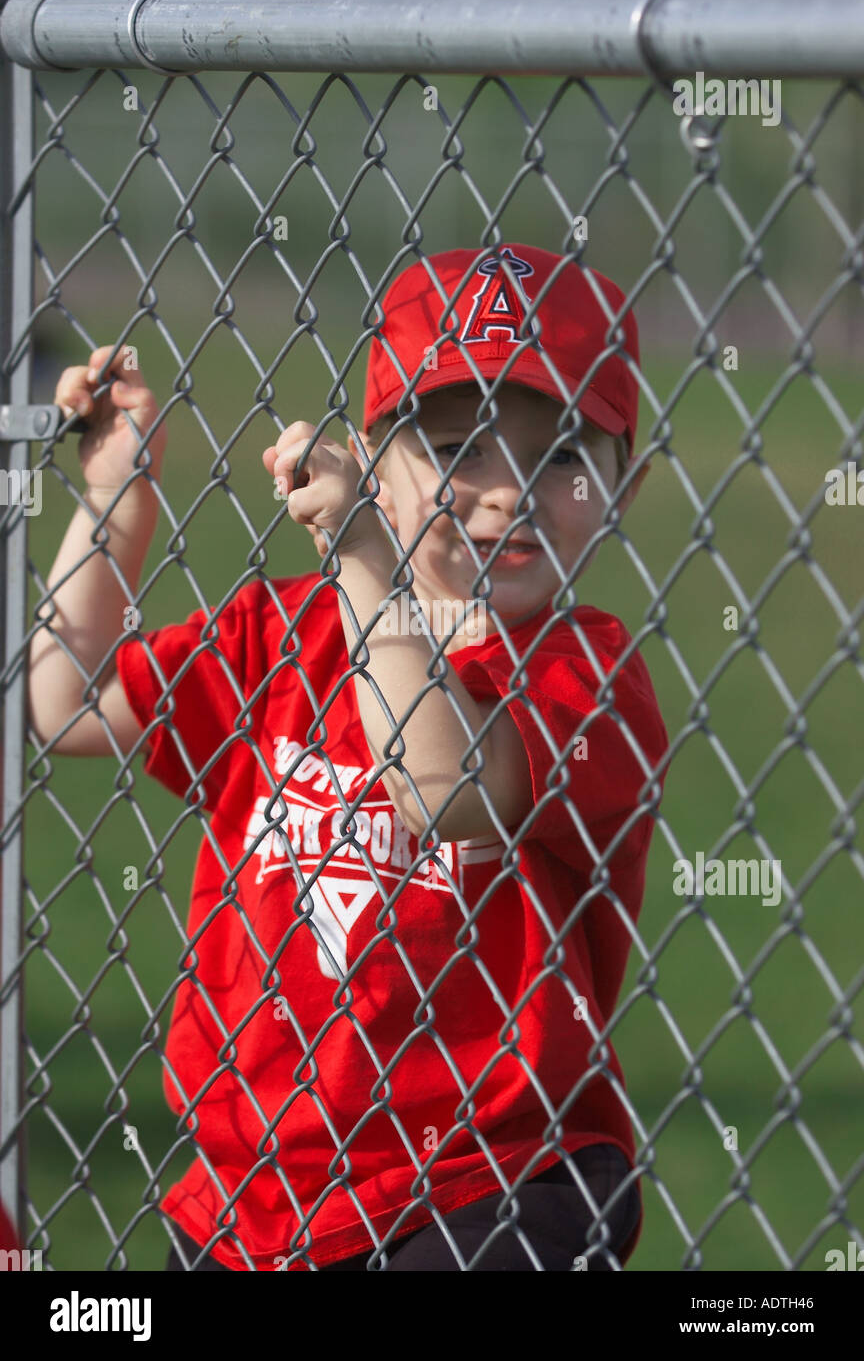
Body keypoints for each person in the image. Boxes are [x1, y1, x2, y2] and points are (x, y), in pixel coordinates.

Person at [30, 243, 668, 1272]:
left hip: (485, 1184)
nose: (507, 496)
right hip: (253, 1195)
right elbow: (63, 702)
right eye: (460, 448)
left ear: (623, 485)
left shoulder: (588, 676)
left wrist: (369, 558)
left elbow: (447, 784)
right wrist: (115, 495)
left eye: (562, 458)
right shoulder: (278, 637)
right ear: (375, 458)